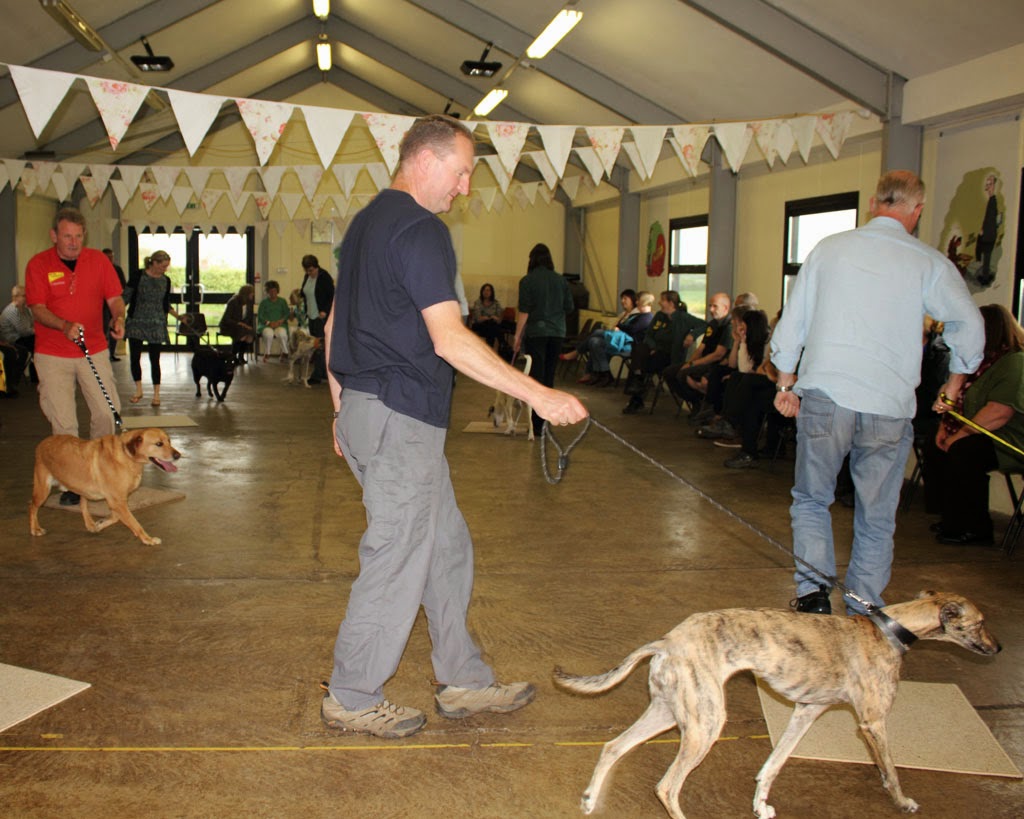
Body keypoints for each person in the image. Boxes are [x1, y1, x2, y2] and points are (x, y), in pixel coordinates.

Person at [323, 114, 587, 740]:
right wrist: (538, 395)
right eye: (463, 171)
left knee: (445, 549)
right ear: (426, 160)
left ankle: (462, 678)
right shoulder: (420, 229)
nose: (465, 188)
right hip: (400, 418)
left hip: (369, 410)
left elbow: (334, 326)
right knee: (397, 558)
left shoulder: (364, 224)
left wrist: (341, 409)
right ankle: (352, 693)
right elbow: (449, 340)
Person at [771, 170, 984, 615]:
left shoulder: (828, 250)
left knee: (812, 498)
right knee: (877, 514)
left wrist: (786, 380)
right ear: (917, 210)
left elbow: (795, 320)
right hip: (889, 405)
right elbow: (969, 322)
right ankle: (863, 606)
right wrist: (955, 380)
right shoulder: (927, 262)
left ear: (872, 203)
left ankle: (813, 594)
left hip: (828, 395)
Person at [26, 207, 126, 505]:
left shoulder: (97, 261)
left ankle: (102, 471)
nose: (73, 242)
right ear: (54, 235)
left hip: (93, 349)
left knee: (106, 413)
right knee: (65, 424)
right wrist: (63, 325)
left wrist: (118, 318)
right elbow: (37, 308)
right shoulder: (39, 264)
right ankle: (72, 483)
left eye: (78, 236)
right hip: (52, 353)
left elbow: (115, 299)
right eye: (67, 236)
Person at [928, 304, 1024, 545]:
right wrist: (944, 428)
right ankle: (952, 517)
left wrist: (958, 435)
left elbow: (998, 412)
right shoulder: (978, 362)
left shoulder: (1015, 362)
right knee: (935, 446)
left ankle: (977, 528)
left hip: (1008, 439)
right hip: (978, 433)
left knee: (965, 452)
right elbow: (955, 398)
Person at [513, 243, 575, 437]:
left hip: (536, 334)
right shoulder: (561, 281)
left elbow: (524, 312)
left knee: (536, 378)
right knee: (549, 377)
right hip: (557, 332)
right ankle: (547, 421)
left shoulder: (527, 281)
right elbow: (569, 307)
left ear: (531, 260)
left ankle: (537, 424)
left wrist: (517, 336)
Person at [124, 250, 180, 407]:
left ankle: (156, 394)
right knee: (135, 357)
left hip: (157, 322)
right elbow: (126, 297)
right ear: (153, 263)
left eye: (167, 267)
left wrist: (178, 317)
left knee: (155, 359)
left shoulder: (165, 281)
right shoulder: (138, 276)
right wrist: (117, 316)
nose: (165, 270)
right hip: (137, 321)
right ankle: (138, 389)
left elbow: (165, 303)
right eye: (163, 266)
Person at [300, 253, 335, 383]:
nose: (309, 273)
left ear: (316, 267)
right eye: (307, 271)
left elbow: (332, 296)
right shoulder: (307, 277)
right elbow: (304, 293)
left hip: (321, 317)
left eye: (311, 270)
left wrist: (325, 310)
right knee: (315, 346)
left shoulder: (324, 277)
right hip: (311, 315)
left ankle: (317, 376)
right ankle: (323, 373)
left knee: (320, 346)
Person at [0, 284, 36, 390]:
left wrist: (33, 330)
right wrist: (35, 330)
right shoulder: (13, 311)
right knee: (34, 345)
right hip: (12, 339)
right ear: (15, 297)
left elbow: (31, 324)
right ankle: (10, 384)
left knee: (37, 343)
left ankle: (32, 376)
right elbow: (24, 331)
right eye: (24, 296)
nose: (26, 298)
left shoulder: (25, 309)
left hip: (21, 337)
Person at [219, 284, 255, 365]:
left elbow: (248, 317)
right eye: (251, 293)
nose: (253, 295)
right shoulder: (233, 302)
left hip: (242, 326)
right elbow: (227, 318)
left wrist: (247, 325)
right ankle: (233, 356)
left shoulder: (249, 303)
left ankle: (241, 356)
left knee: (250, 334)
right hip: (229, 325)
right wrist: (240, 323)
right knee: (241, 333)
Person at [102, 248, 127, 361]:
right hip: (101, 304)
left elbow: (123, 286)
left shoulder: (117, 269)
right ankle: (102, 353)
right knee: (102, 327)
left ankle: (111, 353)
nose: (110, 259)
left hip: (113, 303)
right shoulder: (98, 268)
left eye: (111, 257)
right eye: (108, 257)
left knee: (115, 326)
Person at [257, 280, 290, 362]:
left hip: (280, 324)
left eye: (274, 290)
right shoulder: (263, 303)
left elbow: (287, 314)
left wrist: (280, 322)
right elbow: (260, 316)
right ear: (267, 292)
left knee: (282, 333)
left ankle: (285, 352)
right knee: (269, 334)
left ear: (277, 291)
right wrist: (268, 323)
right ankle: (267, 353)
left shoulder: (282, 301)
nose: (273, 293)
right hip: (266, 325)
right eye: (270, 291)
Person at [469, 283, 504, 350]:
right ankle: (502, 343)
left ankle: (491, 348)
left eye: (488, 290)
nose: (486, 292)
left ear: (492, 292)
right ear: (481, 292)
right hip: (479, 325)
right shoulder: (478, 302)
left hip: (492, 325)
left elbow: (499, 320)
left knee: (492, 327)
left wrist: (494, 318)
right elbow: (478, 319)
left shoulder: (496, 303)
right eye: (484, 290)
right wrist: (488, 317)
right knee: (492, 327)